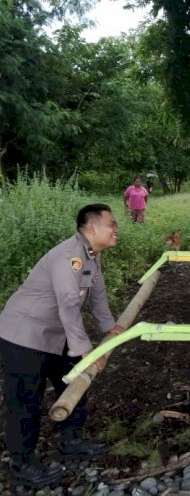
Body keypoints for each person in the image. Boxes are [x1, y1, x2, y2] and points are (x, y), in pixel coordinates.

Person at [0, 204, 124, 487]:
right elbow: (69, 305)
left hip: (56, 333)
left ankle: (72, 441)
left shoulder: (91, 256)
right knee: (25, 400)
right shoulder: (70, 257)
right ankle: (21, 463)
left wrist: (109, 328)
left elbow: (97, 295)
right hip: (25, 335)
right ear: (92, 228)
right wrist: (86, 350)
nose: (116, 229)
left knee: (75, 381)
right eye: (112, 224)